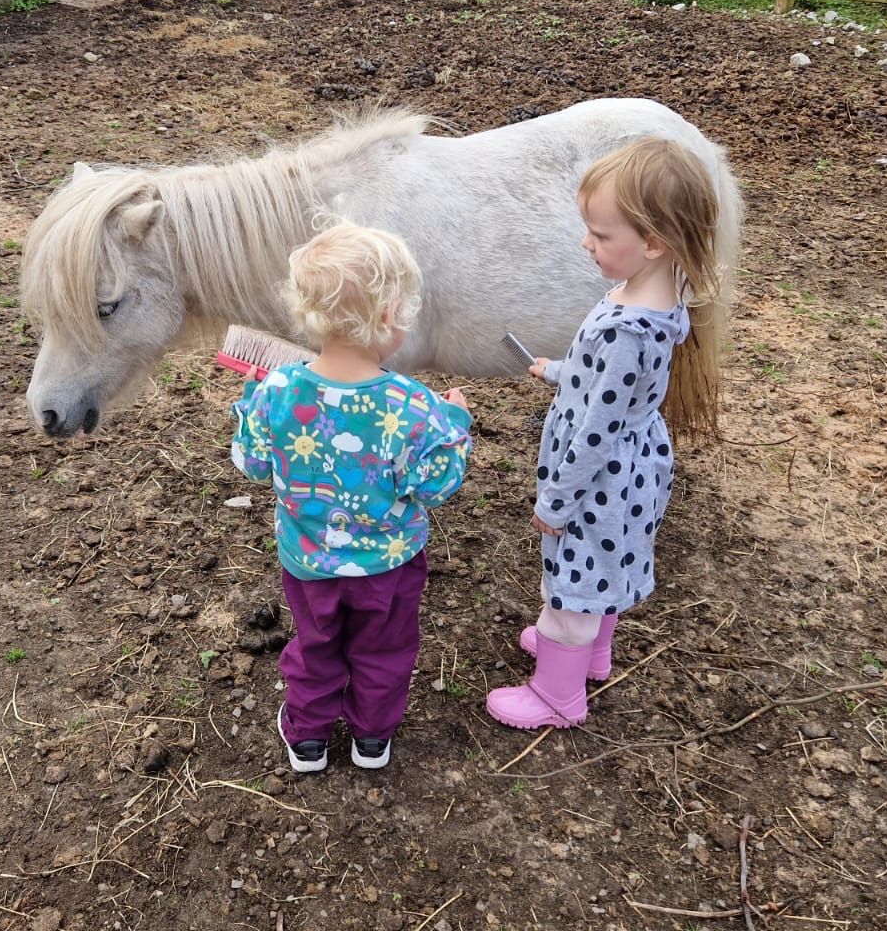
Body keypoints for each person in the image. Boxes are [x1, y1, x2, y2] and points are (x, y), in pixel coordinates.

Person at [487, 136, 721, 731]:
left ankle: (557, 696)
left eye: (600, 234)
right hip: (633, 462)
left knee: (574, 572)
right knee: (602, 565)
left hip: (601, 477)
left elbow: (596, 428)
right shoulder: (656, 299)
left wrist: (557, 500)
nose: (586, 243)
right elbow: (612, 385)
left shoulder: (628, 330)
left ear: (653, 242)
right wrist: (557, 370)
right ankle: (590, 652)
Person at [231, 222, 473, 772]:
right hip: (389, 567)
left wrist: (251, 402)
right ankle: (371, 738)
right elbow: (435, 487)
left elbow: (251, 463)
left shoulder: (278, 391)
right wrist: (455, 423)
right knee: (383, 652)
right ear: (390, 317)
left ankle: (309, 740)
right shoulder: (414, 406)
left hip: (309, 563)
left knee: (316, 648)